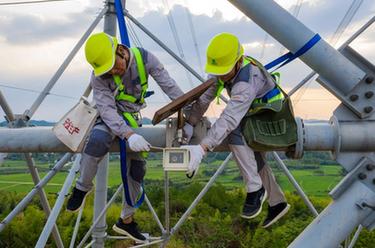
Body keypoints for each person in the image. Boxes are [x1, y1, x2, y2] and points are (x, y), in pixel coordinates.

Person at [66, 32, 185, 243]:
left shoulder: (145, 59)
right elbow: (106, 109)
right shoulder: (98, 76)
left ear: (120, 50)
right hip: (109, 118)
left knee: (137, 170)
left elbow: (169, 86)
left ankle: (126, 220)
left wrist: (188, 111)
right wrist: (128, 134)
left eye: (115, 64)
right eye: (108, 70)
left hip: (132, 118)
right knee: (97, 141)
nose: (113, 71)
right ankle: (82, 187)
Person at [182, 32, 290, 228]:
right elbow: (205, 98)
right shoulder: (223, 68)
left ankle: (255, 189)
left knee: (234, 134)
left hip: (270, 118)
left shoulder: (247, 82)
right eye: (219, 71)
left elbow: (230, 118)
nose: (222, 75)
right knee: (252, 157)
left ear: (238, 61)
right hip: (251, 115)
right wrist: (190, 122)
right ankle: (277, 203)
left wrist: (203, 147)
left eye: (225, 71)